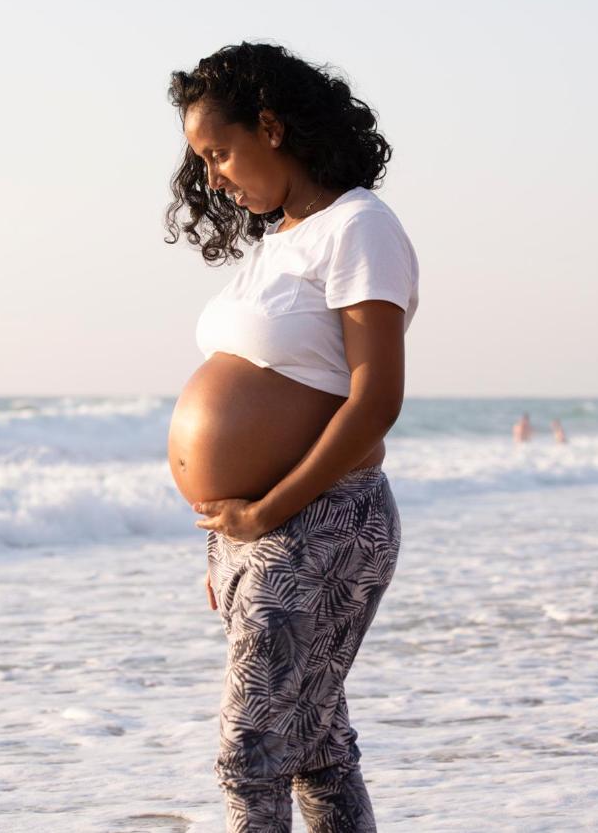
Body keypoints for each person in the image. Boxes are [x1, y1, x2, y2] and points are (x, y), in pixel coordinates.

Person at [163, 42, 419, 832]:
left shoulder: (359, 226)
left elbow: (376, 400)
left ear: (270, 126)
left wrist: (267, 512)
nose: (213, 177)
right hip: (266, 529)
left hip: (319, 520)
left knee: (250, 757)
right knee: (314, 745)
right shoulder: (282, 242)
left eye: (220, 152)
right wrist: (231, 540)